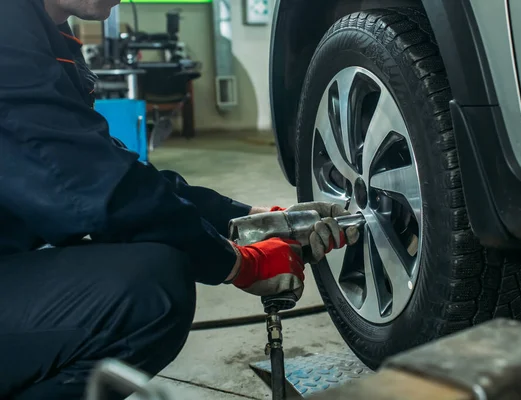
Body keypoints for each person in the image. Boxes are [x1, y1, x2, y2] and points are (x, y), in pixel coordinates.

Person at [0, 1, 360, 398]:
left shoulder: (44, 33)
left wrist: (248, 220)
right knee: (150, 293)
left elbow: (110, 167)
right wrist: (238, 264)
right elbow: (95, 187)